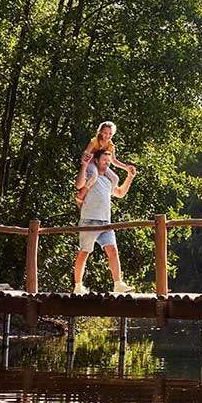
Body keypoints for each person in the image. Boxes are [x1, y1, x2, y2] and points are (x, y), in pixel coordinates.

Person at [72, 121, 137, 294]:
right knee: (84, 252)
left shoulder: (109, 179)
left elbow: (120, 192)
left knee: (113, 250)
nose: (107, 163)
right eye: (104, 160)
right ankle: (78, 285)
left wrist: (128, 174)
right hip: (90, 220)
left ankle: (118, 283)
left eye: (110, 134)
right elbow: (79, 185)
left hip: (105, 222)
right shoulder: (91, 170)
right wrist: (85, 163)